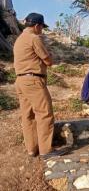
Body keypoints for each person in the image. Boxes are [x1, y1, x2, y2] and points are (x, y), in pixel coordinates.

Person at [14, 13, 66, 159]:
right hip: (33, 81)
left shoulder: (19, 39)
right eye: (42, 26)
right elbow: (48, 61)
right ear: (37, 26)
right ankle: (46, 150)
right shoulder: (34, 38)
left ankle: (32, 149)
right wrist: (50, 55)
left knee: (28, 115)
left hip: (20, 81)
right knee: (44, 113)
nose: (42, 30)